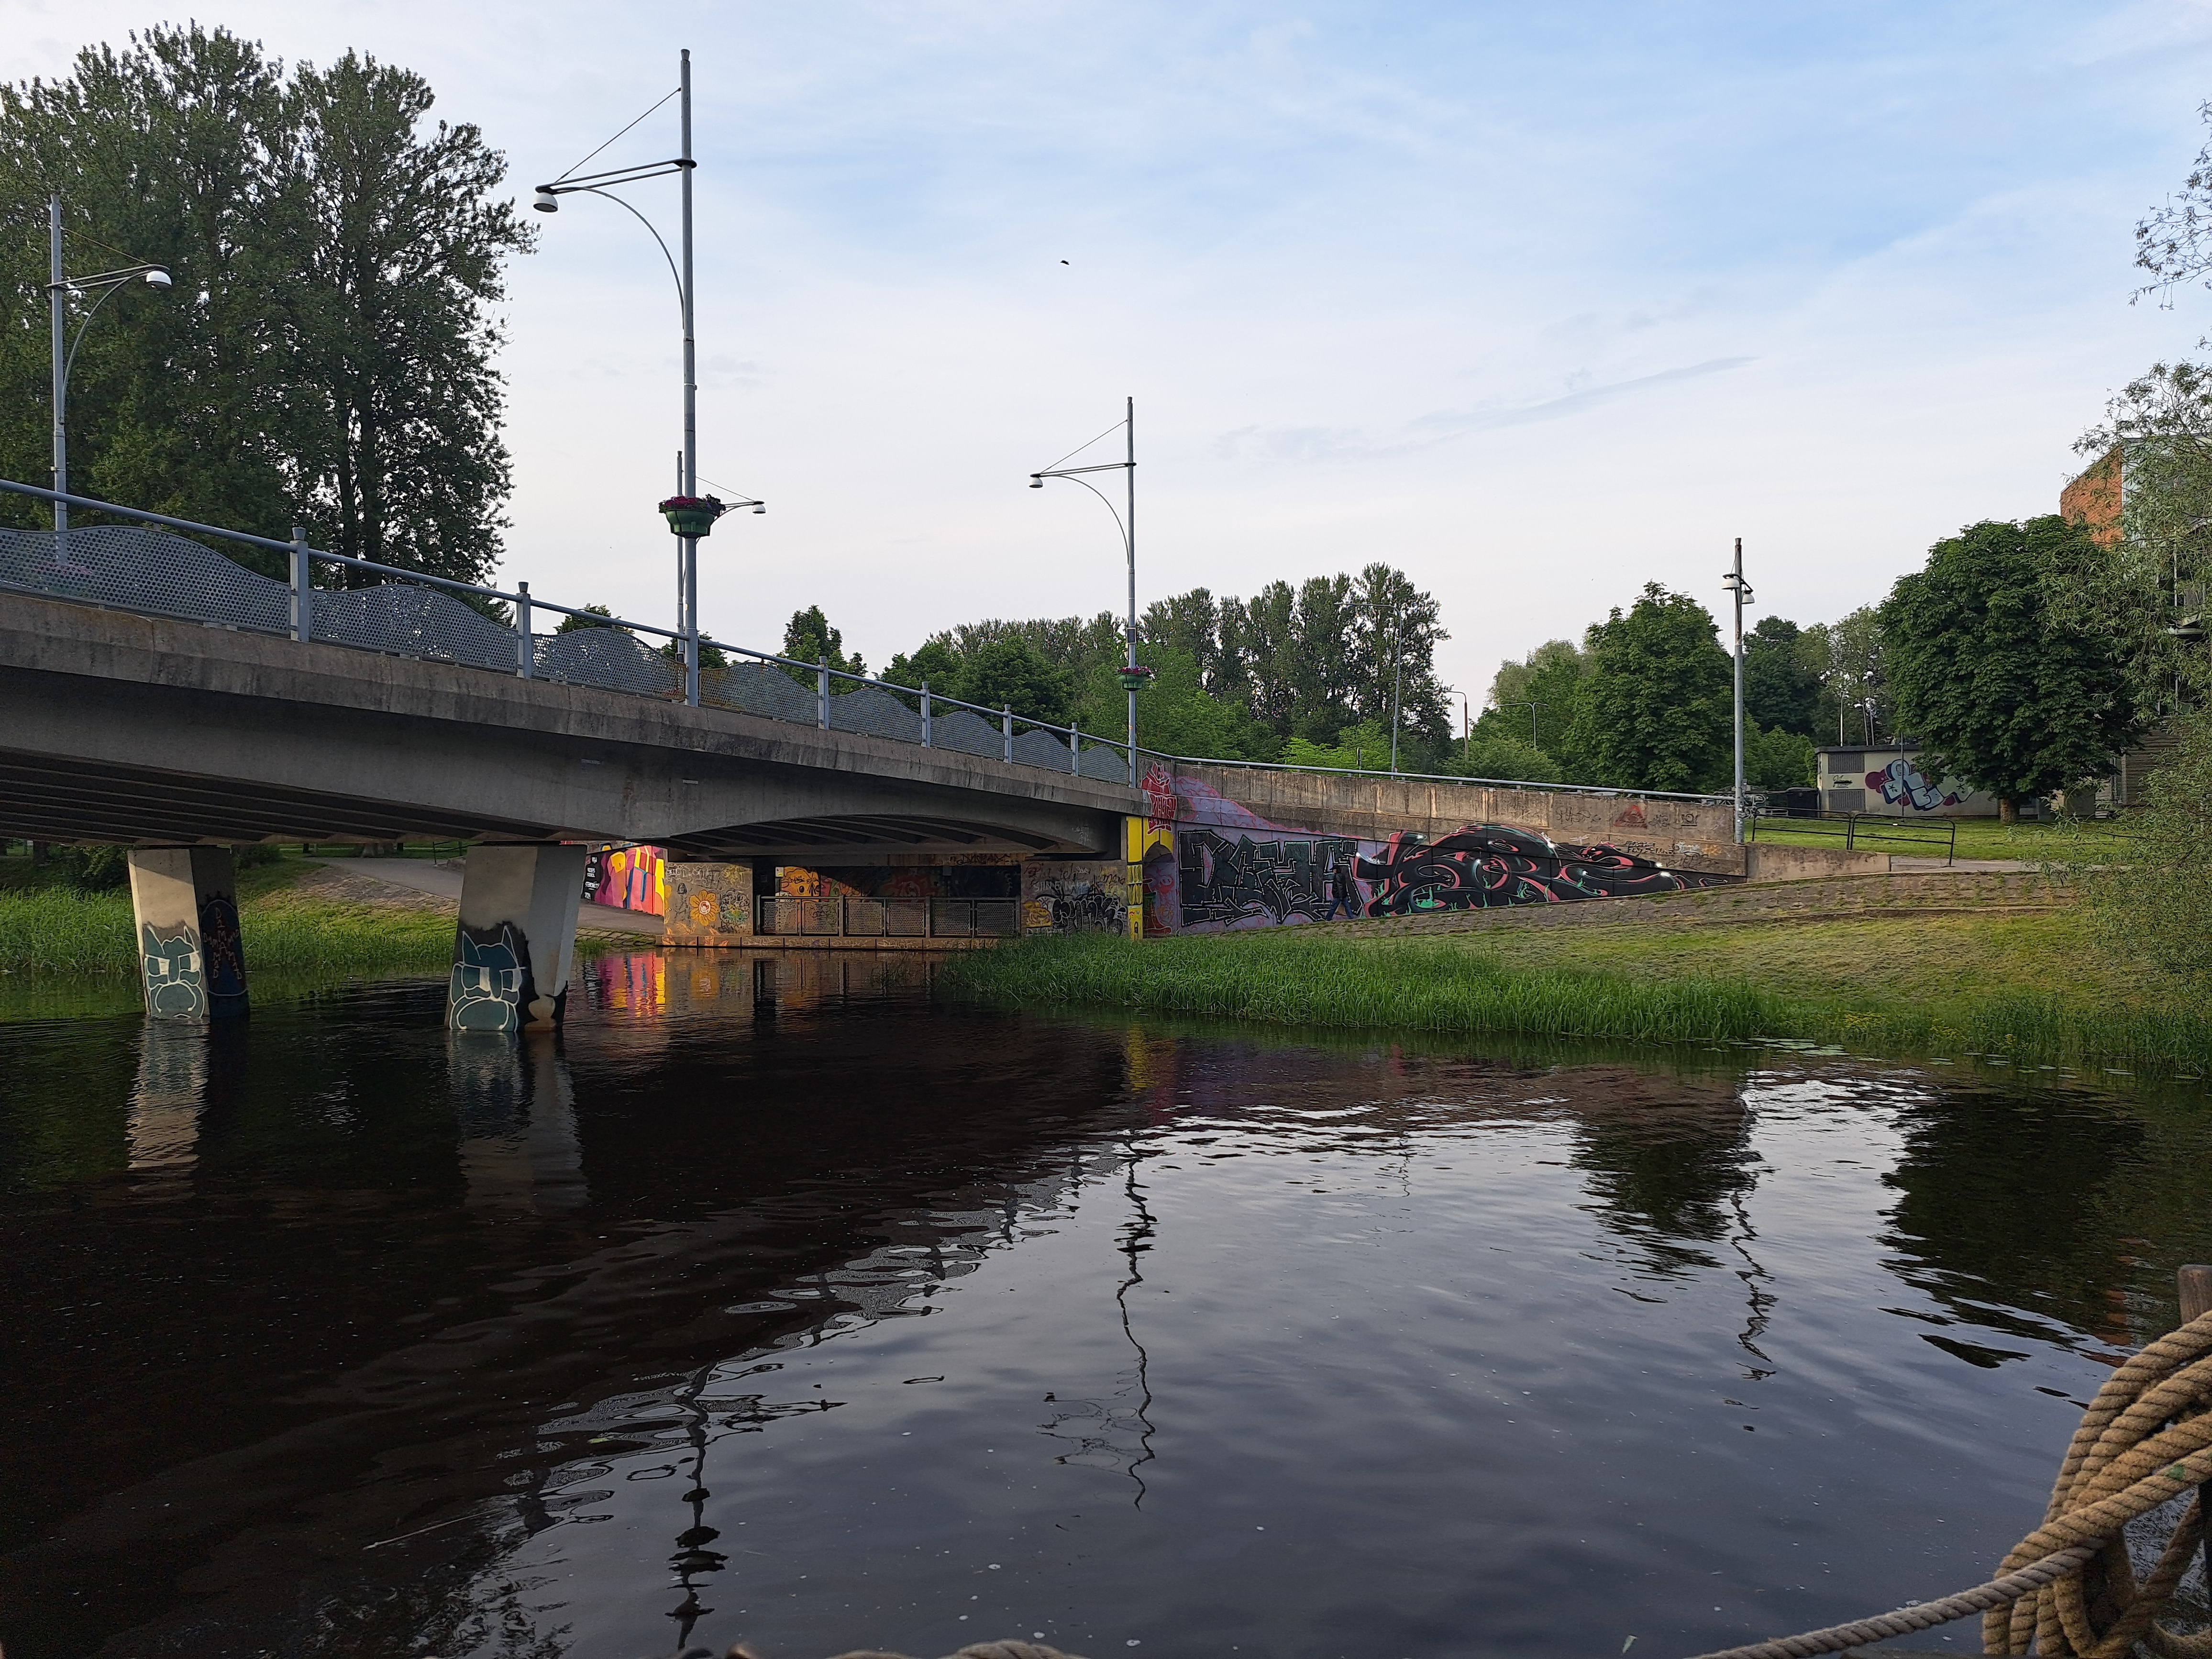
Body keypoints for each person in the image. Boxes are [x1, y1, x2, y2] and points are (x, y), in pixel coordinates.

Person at [1317, 850, 1359, 921]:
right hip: (1344, 894)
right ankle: (1351, 918)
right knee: (1347, 906)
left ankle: (1328, 918)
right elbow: (1343, 886)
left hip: (1339, 895)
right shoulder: (1342, 875)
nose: (1333, 871)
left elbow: (1339, 886)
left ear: (1336, 870)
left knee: (1333, 907)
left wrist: (1340, 896)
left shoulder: (1337, 876)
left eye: (1334, 870)